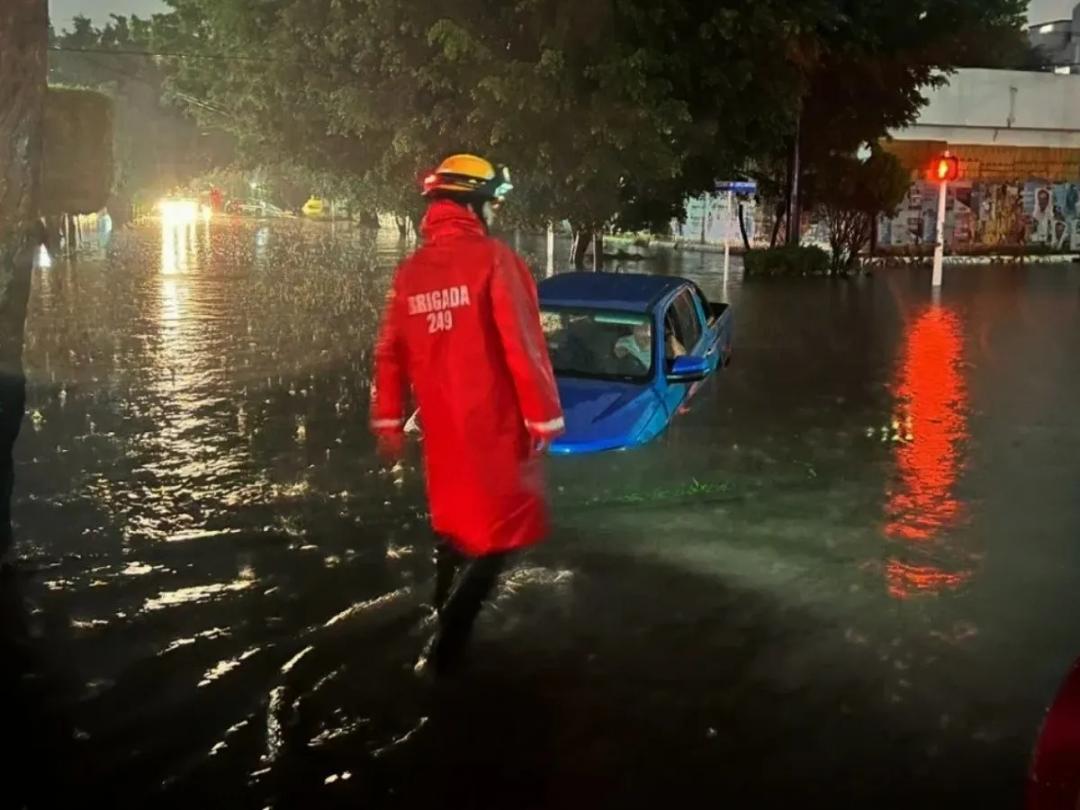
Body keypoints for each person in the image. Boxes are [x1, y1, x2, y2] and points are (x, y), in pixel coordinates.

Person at [371, 154, 564, 674]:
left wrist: (389, 420)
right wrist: (543, 417)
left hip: (440, 433)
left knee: (453, 530)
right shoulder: (495, 261)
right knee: (504, 535)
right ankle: (445, 648)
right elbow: (524, 344)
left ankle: (438, 609)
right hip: (493, 428)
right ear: (476, 204)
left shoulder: (412, 272)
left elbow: (390, 352)